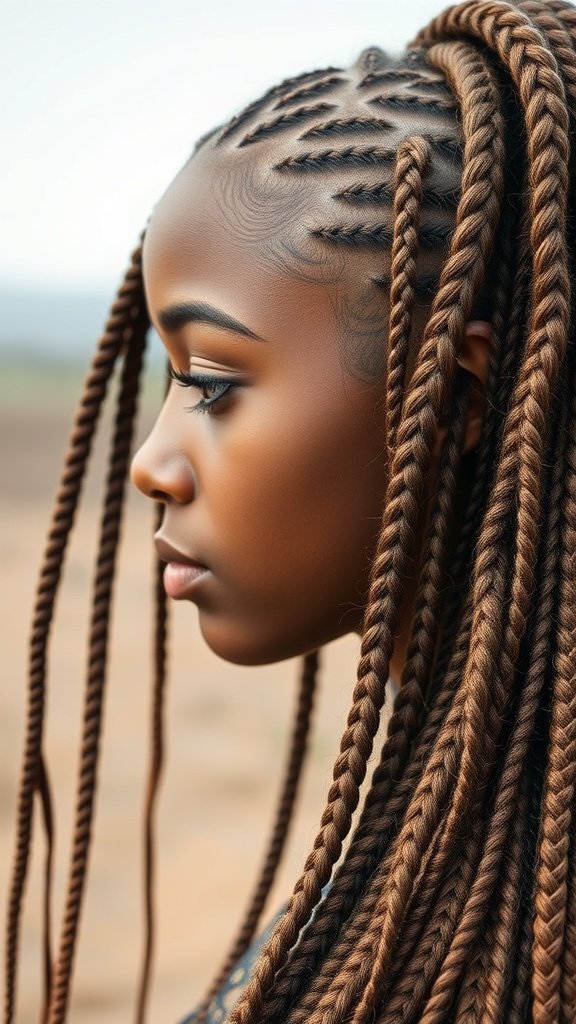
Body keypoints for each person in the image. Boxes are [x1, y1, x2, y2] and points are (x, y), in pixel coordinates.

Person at [5, 0, 576, 1021]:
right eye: (166, 376)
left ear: (458, 397)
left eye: (214, 381)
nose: (151, 464)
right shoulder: (461, 851)